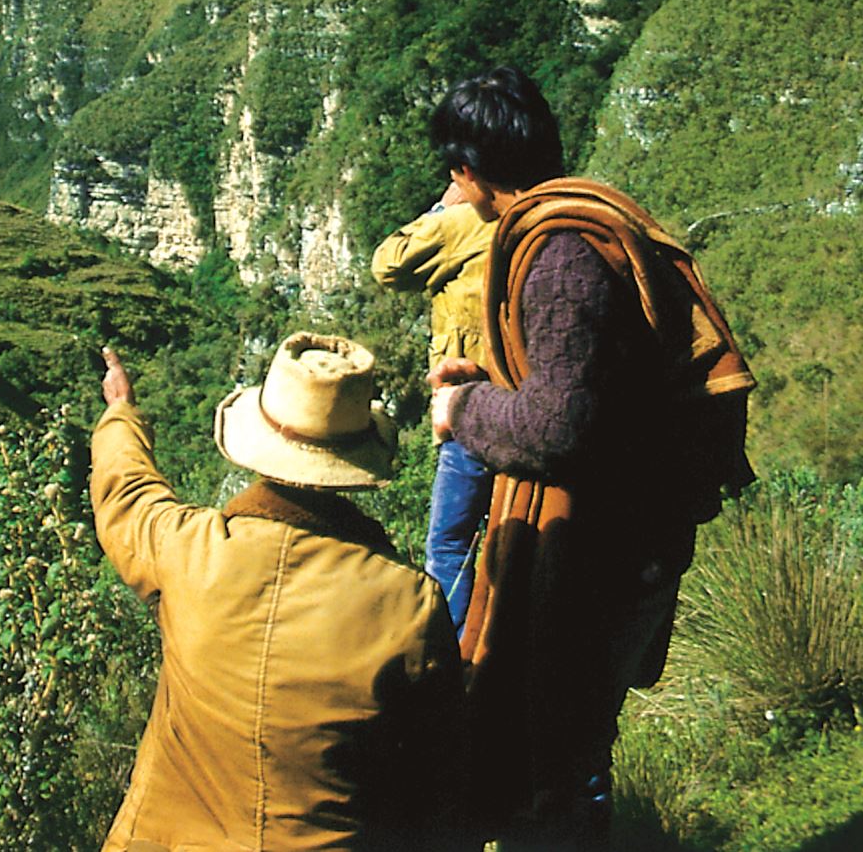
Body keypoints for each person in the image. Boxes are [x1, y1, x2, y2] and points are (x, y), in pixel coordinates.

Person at [425, 66, 754, 849]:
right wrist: (495, 379)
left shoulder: (559, 256)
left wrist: (463, 408)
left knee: (560, 749)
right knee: (570, 737)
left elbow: (562, 424)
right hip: (628, 532)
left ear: (467, 171)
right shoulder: (582, 219)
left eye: (452, 165)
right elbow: (582, 379)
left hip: (602, 548)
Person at [91, 334, 473, 851]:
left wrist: (122, 412)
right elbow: (438, 781)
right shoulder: (408, 603)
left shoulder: (187, 550)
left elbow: (127, 491)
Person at [371, 180, 495, 637]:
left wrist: (444, 205)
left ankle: (452, 655)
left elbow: (387, 264)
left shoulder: (464, 223)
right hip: (528, 403)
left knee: (449, 545)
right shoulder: (547, 219)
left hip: (468, 410)